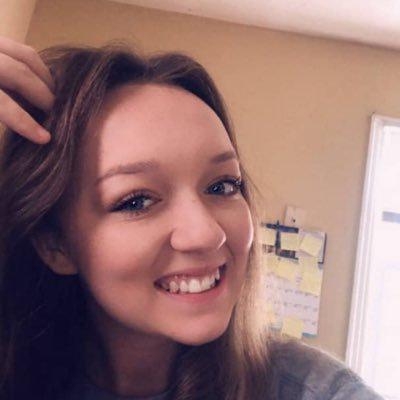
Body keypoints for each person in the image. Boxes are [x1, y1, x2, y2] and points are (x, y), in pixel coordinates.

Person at [0, 36, 382, 400]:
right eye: (136, 201)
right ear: (55, 244)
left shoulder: (310, 389)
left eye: (222, 186)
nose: (207, 234)